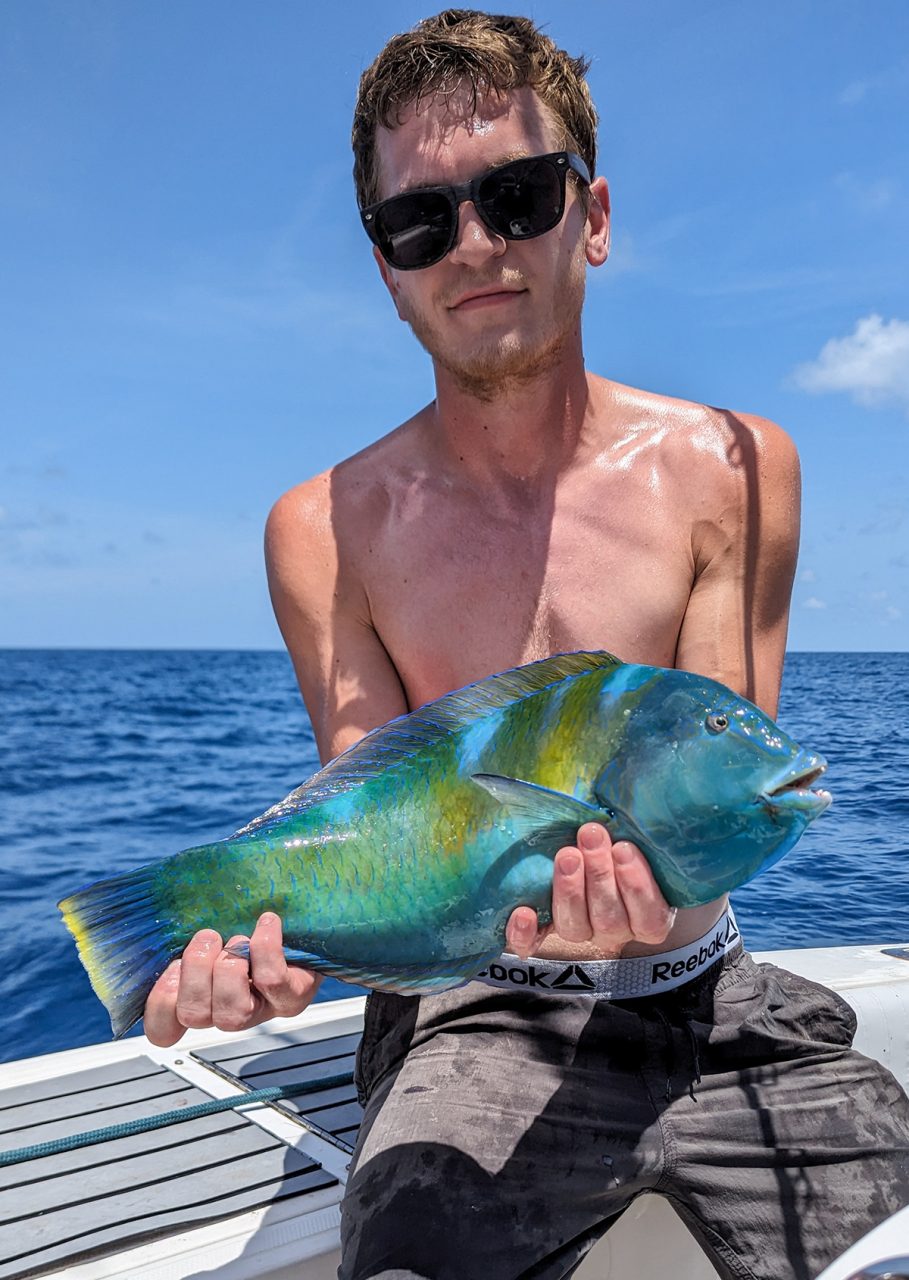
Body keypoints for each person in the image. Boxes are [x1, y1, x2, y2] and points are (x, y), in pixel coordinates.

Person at [144, 10, 909, 1278]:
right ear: (385, 267)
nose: (477, 247)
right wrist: (282, 956)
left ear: (591, 217)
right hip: (468, 1010)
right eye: (421, 221)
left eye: (519, 195)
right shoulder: (321, 530)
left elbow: (718, 808)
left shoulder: (736, 466)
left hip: (709, 987)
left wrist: (652, 905)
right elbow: (378, 831)